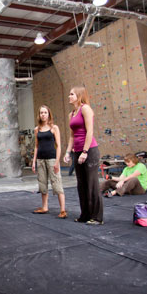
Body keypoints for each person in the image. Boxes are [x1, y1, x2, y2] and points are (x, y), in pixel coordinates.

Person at [63, 86, 103, 225]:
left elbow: (90, 131)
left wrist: (85, 151)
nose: (69, 96)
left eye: (71, 94)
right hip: (77, 151)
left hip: (90, 151)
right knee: (81, 185)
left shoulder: (85, 109)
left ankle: (97, 217)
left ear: (79, 96)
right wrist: (68, 152)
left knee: (92, 184)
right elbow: (72, 136)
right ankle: (85, 214)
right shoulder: (71, 114)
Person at [31, 105, 67, 218]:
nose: (43, 114)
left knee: (56, 183)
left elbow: (59, 146)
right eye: (41, 113)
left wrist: (57, 162)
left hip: (52, 159)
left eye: (45, 112)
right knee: (42, 184)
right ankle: (45, 207)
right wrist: (33, 161)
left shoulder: (54, 128)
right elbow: (36, 146)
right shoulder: (37, 129)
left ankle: (62, 210)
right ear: (39, 115)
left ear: (48, 114)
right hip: (40, 160)